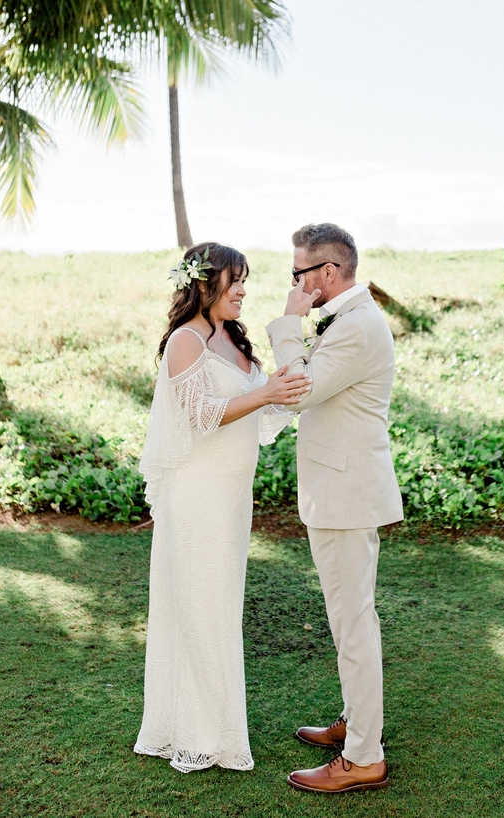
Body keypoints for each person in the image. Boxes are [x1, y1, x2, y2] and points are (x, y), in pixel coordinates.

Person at [134, 242, 310, 774]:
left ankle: (210, 727)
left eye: (245, 281)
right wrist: (264, 395)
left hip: (232, 498)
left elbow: (270, 400)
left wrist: (291, 330)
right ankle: (198, 735)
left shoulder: (233, 339)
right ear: (204, 284)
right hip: (197, 497)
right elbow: (200, 416)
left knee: (219, 608)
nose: (242, 291)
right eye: (235, 281)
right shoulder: (185, 342)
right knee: (200, 607)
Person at [266, 222, 404, 793]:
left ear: (327, 272)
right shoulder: (350, 319)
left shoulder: (357, 326)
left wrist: (287, 322)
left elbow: (300, 389)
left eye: (299, 271)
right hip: (338, 491)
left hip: (346, 497)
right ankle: (357, 723)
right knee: (349, 618)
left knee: (352, 624)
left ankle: (364, 755)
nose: (294, 281)